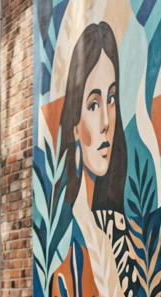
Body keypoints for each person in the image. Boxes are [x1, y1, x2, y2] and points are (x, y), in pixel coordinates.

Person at [60, 22, 127, 213]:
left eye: (111, 98)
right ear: (75, 127)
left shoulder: (120, 224)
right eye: (94, 105)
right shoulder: (67, 224)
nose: (106, 122)